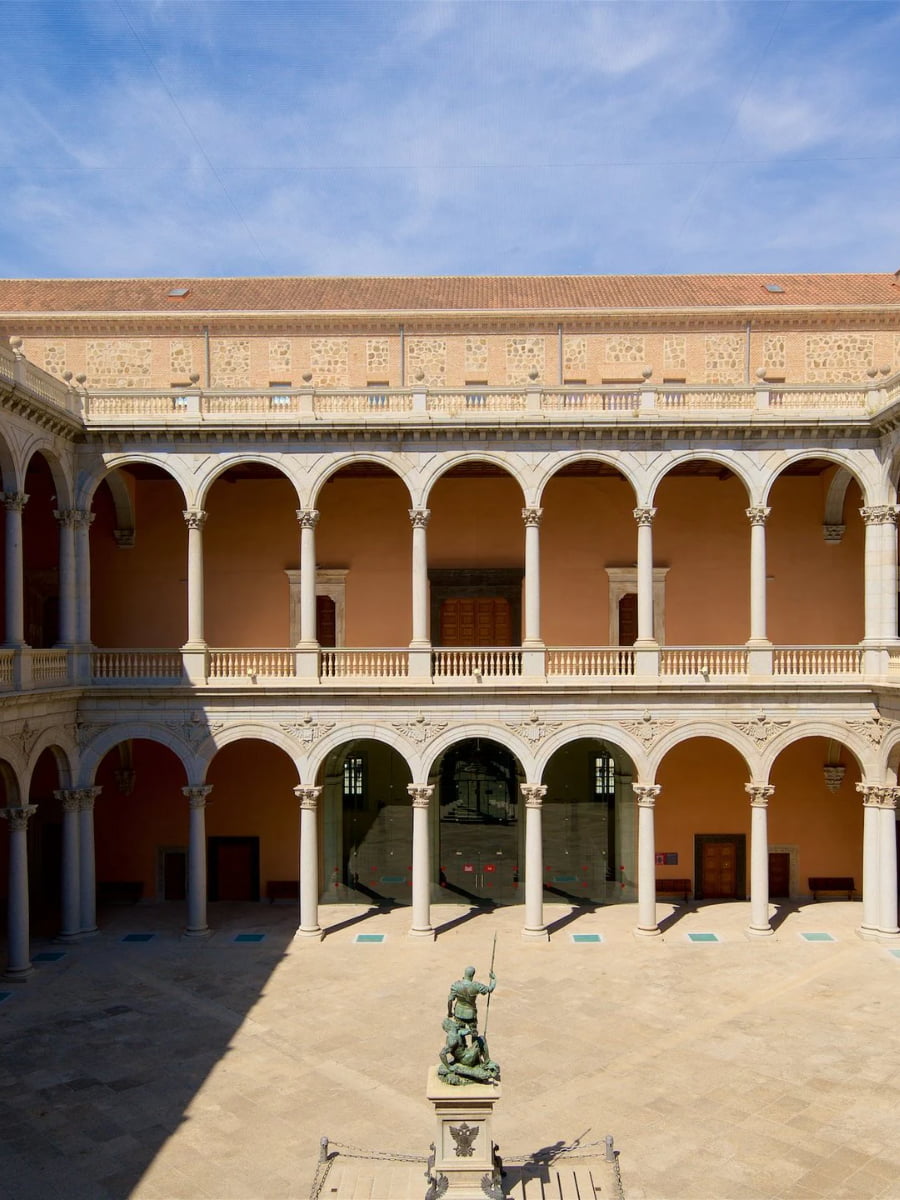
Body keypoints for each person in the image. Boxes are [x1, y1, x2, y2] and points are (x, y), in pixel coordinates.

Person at [447, 965, 496, 1033]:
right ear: (473, 975)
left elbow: (450, 1000)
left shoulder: (456, 985)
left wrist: (449, 1012)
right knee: (474, 1032)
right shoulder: (476, 986)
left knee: (459, 1031)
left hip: (458, 1013)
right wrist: (493, 979)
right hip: (471, 1014)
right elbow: (490, 989)